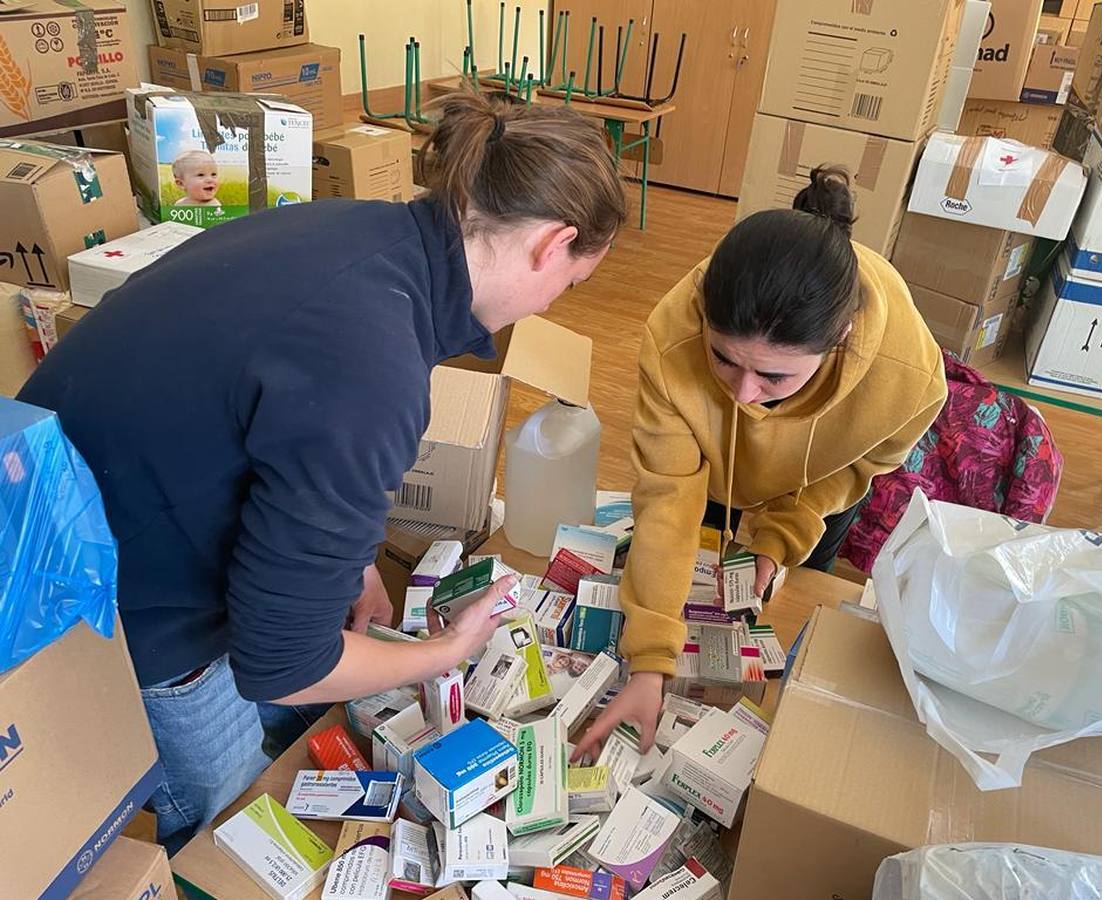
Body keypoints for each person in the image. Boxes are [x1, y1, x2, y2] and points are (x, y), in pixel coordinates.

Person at [18, 90, 626, 852]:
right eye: (569, 283)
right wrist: (444, 652)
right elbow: (280, 666)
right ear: (551, 245)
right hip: (108, 612)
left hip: (72, 509)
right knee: (238, 821)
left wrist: (348, 563)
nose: (551, 302)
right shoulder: (371, 365)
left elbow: (280, 433)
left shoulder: (363, 232)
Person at [573, 167, 947, 759]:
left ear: (842, 338)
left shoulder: (909, 381)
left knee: (791, 615)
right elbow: (669, 499)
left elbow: (848, 472)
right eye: (722, 360)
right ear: (702, 313)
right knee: (685, 566)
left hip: (814, 490)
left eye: (774, 375)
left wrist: (776, 542)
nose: (743, 395)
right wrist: (648, 663)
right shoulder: (673, 337)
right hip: (712, 475)